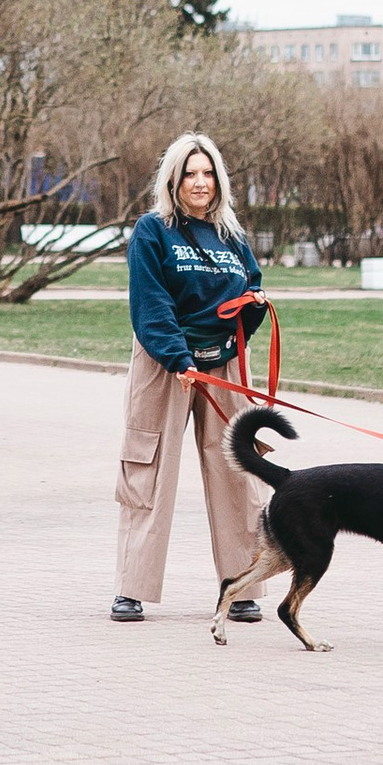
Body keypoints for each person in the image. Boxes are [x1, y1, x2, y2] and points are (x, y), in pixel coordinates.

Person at [109, 130, 269, 624]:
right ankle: (131, 588)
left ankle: (242, 586)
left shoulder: (231, 237)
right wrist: (179, 360)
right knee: (149, 467)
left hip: (222, 363)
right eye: (189, 174)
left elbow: (252, 286)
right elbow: (151, 303)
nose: (199, 183)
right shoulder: (154, 231)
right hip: (166, 363)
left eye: (207, 174)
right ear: (173, 181)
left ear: (219, 180)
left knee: (237, 469)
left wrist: (253, 308)